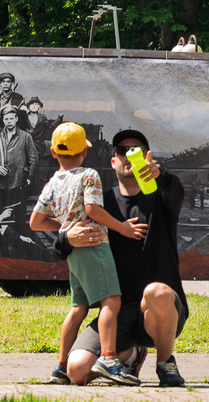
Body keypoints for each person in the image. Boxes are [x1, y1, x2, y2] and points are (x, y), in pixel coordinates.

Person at [56, 129, 188, 388]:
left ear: (147, 157)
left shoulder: (162, 197)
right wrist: (67, 240)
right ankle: (130, 356)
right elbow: (59, 248)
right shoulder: (98, 205)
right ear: (113, 161)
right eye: (122, 151)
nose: (129, 156)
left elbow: (176, 190)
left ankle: (166, 363)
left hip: (163, 310)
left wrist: (161, 175)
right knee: (77, 370)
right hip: (118, 313)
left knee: (156, 292)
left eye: (136, 150)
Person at [29, 123, 145, 386]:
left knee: (78, 308)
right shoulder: (88, 175)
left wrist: (65, 228)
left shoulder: (51, 184)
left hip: (74, 253)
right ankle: (109, 358)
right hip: (94, 246)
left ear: (53, 152)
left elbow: (35, 222)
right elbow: (92, 209)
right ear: (84, 151)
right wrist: (123, 228)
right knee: (111, 302)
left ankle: (60, 367)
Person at [0, 105, 38, 212]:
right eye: (6, 119)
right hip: (2, 183)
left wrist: (29, 178)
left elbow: (34, 158)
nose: (9, 121)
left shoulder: (25, 136)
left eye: (11, 118)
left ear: (16, 119)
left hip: (19, 181)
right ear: (3, 120)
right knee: (3, 214)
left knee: (19, 215)